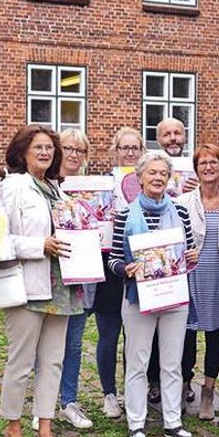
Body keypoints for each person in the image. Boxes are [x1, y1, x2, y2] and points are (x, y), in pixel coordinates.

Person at [0, 124, 81, 437]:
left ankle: (45, 428)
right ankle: (12, 428)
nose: (45, 153)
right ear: (22, 152)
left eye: (49, 148)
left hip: (61, 285)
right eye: (38, 148)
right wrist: (39, 245)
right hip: (29, 283)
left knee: (53, 361)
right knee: (21, 360)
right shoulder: (13, 186)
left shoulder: (57, 190)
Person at [108, 151, 198, 437]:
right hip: (138, 298)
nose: (158, 178)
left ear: (168, 178)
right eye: (152, 173)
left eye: (162, 173)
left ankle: (173, 421)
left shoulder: (181, 212)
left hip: (173, 296)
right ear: (139, 178)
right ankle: (136, 421)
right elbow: (114, 259)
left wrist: (191, 257)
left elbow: (188, 253)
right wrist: (126, 268)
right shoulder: (124, 216)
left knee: (172, 362)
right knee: (138, 361)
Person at [177, 144, 219, 420]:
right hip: (192, 275)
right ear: (196, 169)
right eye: (203, 163)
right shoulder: (184, 202)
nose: (209, 167)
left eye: (214, 162)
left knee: (215, 336)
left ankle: (208, 394)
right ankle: (184, 386)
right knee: (187, 336)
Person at [90, 127, 145, 420]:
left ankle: (131, 389)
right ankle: (109, 393)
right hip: (110, 267)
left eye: (135, 147)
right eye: (124, 148)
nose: (130, 152)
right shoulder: (105, 185)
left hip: (143, 267)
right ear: (116, 151)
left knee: (136, 336)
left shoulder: (151, 182)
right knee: (109, 334)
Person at [146, 117, 197, 405]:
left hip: (185, 257)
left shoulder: (195, 167)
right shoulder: (149, 167)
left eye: (178, 133)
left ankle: (185, 379)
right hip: (153, 257)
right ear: (158, 139)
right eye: (167, 134)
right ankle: (154, 381)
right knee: (152, 324)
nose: (173, 138)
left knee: (186, 326)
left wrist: (195, 189)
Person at [51, 128, 94, 430]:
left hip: (81, 272)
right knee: (48, 343)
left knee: (74, 342)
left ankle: (69, 400)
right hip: (51, 273)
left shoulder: (92, 189)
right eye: (69, 148)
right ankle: (45, 401)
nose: (74, 155)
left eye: (80, 150)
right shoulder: (47, 185)